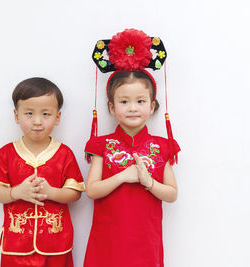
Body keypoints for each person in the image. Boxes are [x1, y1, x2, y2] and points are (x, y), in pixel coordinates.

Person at [84, 29, 181, 267]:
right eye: (124, 101)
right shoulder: (101, 145)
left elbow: (172, 194)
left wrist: (149, 183)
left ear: (152, 105)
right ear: (111, 107)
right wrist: (123, 176)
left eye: (140, 101)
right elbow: (92, 190)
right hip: (109, 237)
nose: (133, 108)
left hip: (145, 237)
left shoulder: (162, 146)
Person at [0, 77, 85, 267]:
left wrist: (52, 192)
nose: (37, 121)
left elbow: (75, 193)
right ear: (16, 116)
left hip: (56, 242)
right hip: (16, 244)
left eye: (46, 114)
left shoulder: (64, 154)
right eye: (29, 114)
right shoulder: (6, 153)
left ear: (57, 117)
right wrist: (17, 192)